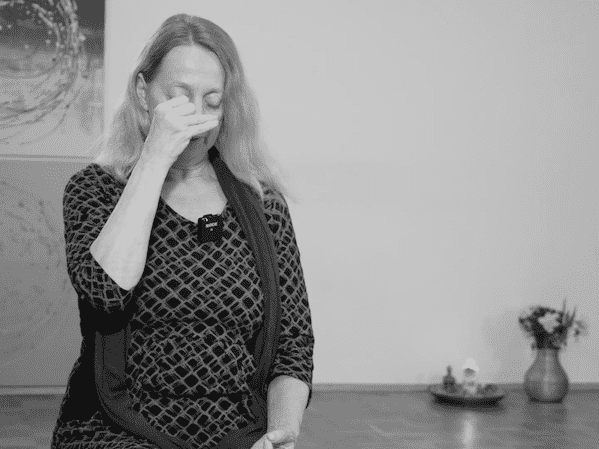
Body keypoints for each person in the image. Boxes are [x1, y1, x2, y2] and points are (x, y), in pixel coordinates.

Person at [51, 13, 314, 449]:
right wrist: (154, 159)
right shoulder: (95, 190)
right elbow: (104, 293)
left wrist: (280, 432)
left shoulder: (264, 205)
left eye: (212, 101)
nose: (197, 117)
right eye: (179, 98)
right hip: (118, 426)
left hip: (235, 430)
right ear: (143, 92)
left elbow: (293, 342)